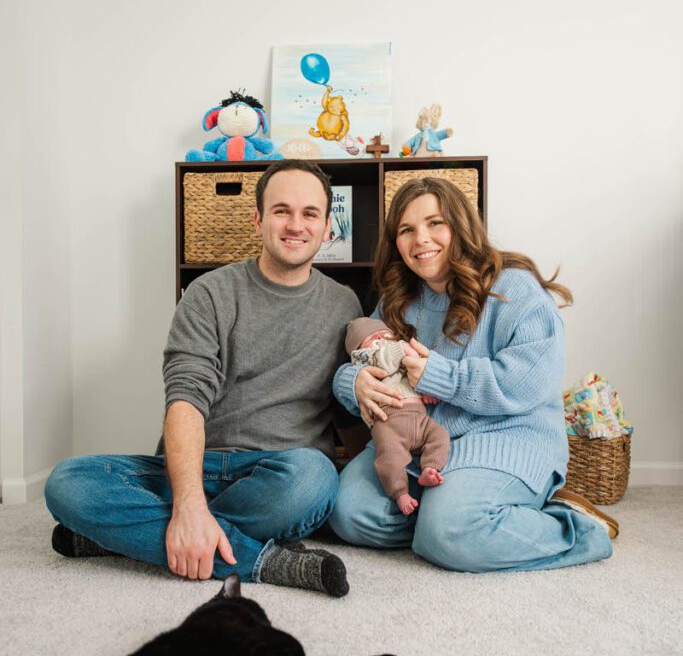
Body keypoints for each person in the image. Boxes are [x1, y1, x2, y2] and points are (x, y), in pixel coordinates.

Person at [45, 160, 362, 596]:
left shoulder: (345, 306)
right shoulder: (210, 292)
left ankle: (128, 537)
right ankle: (263, 561)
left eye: (310, 214)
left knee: (315, 479)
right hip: (194, 465)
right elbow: (184, 399)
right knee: (67, 482)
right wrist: (189, 501)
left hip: (281, 472)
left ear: (327, 227)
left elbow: (348, 407)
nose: (295, 224)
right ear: (258, 220)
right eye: (281, 210)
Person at [329, 177, 618, 573]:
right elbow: (362, 360)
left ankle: (576, 529)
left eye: (435, 223)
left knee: (448, 533)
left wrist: (437, 375)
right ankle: (465, 515)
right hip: (420, 443)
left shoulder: (513, 287)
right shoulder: (399, 297)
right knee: (351, 514)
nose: (421, 239)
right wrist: (354, 383)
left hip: (504, 436)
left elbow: (530, 381)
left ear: (460, 225)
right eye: (406, 230)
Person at [345, 316, 450, 515]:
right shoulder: (369, 358)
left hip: (420, 418)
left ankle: (430, 467)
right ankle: (400, 493)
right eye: (373, 338)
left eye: (385, 334)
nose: (382, 338)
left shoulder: (397, 365)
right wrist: (402, 348)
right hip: (388, 421)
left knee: (439, 435)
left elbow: (413, 376)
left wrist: (427, 390)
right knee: (389, 458)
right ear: (358, 350)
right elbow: (388, 358)